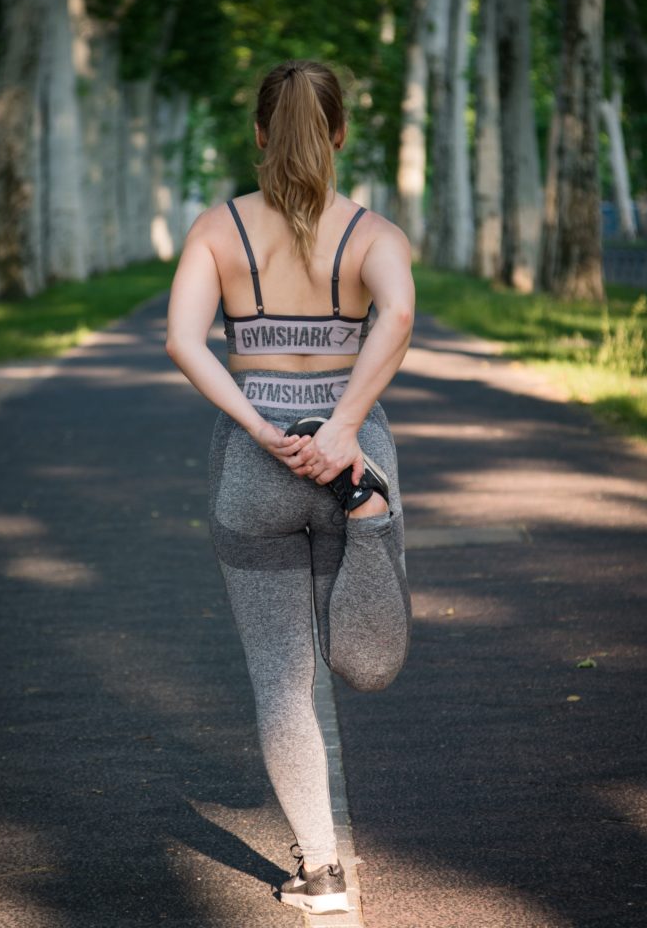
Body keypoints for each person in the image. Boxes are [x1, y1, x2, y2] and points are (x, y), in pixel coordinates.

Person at [165, 59, 413, 915]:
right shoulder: (374, 234)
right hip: (349, 453)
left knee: (281, 677)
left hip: (254, 461)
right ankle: (373, 521)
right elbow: (402, 316)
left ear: (260, 134)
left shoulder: (219, 228)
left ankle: (322, 874)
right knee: (364, 661)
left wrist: (261, 427)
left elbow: (185, 341)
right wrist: (342, 428)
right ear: (339, 133)